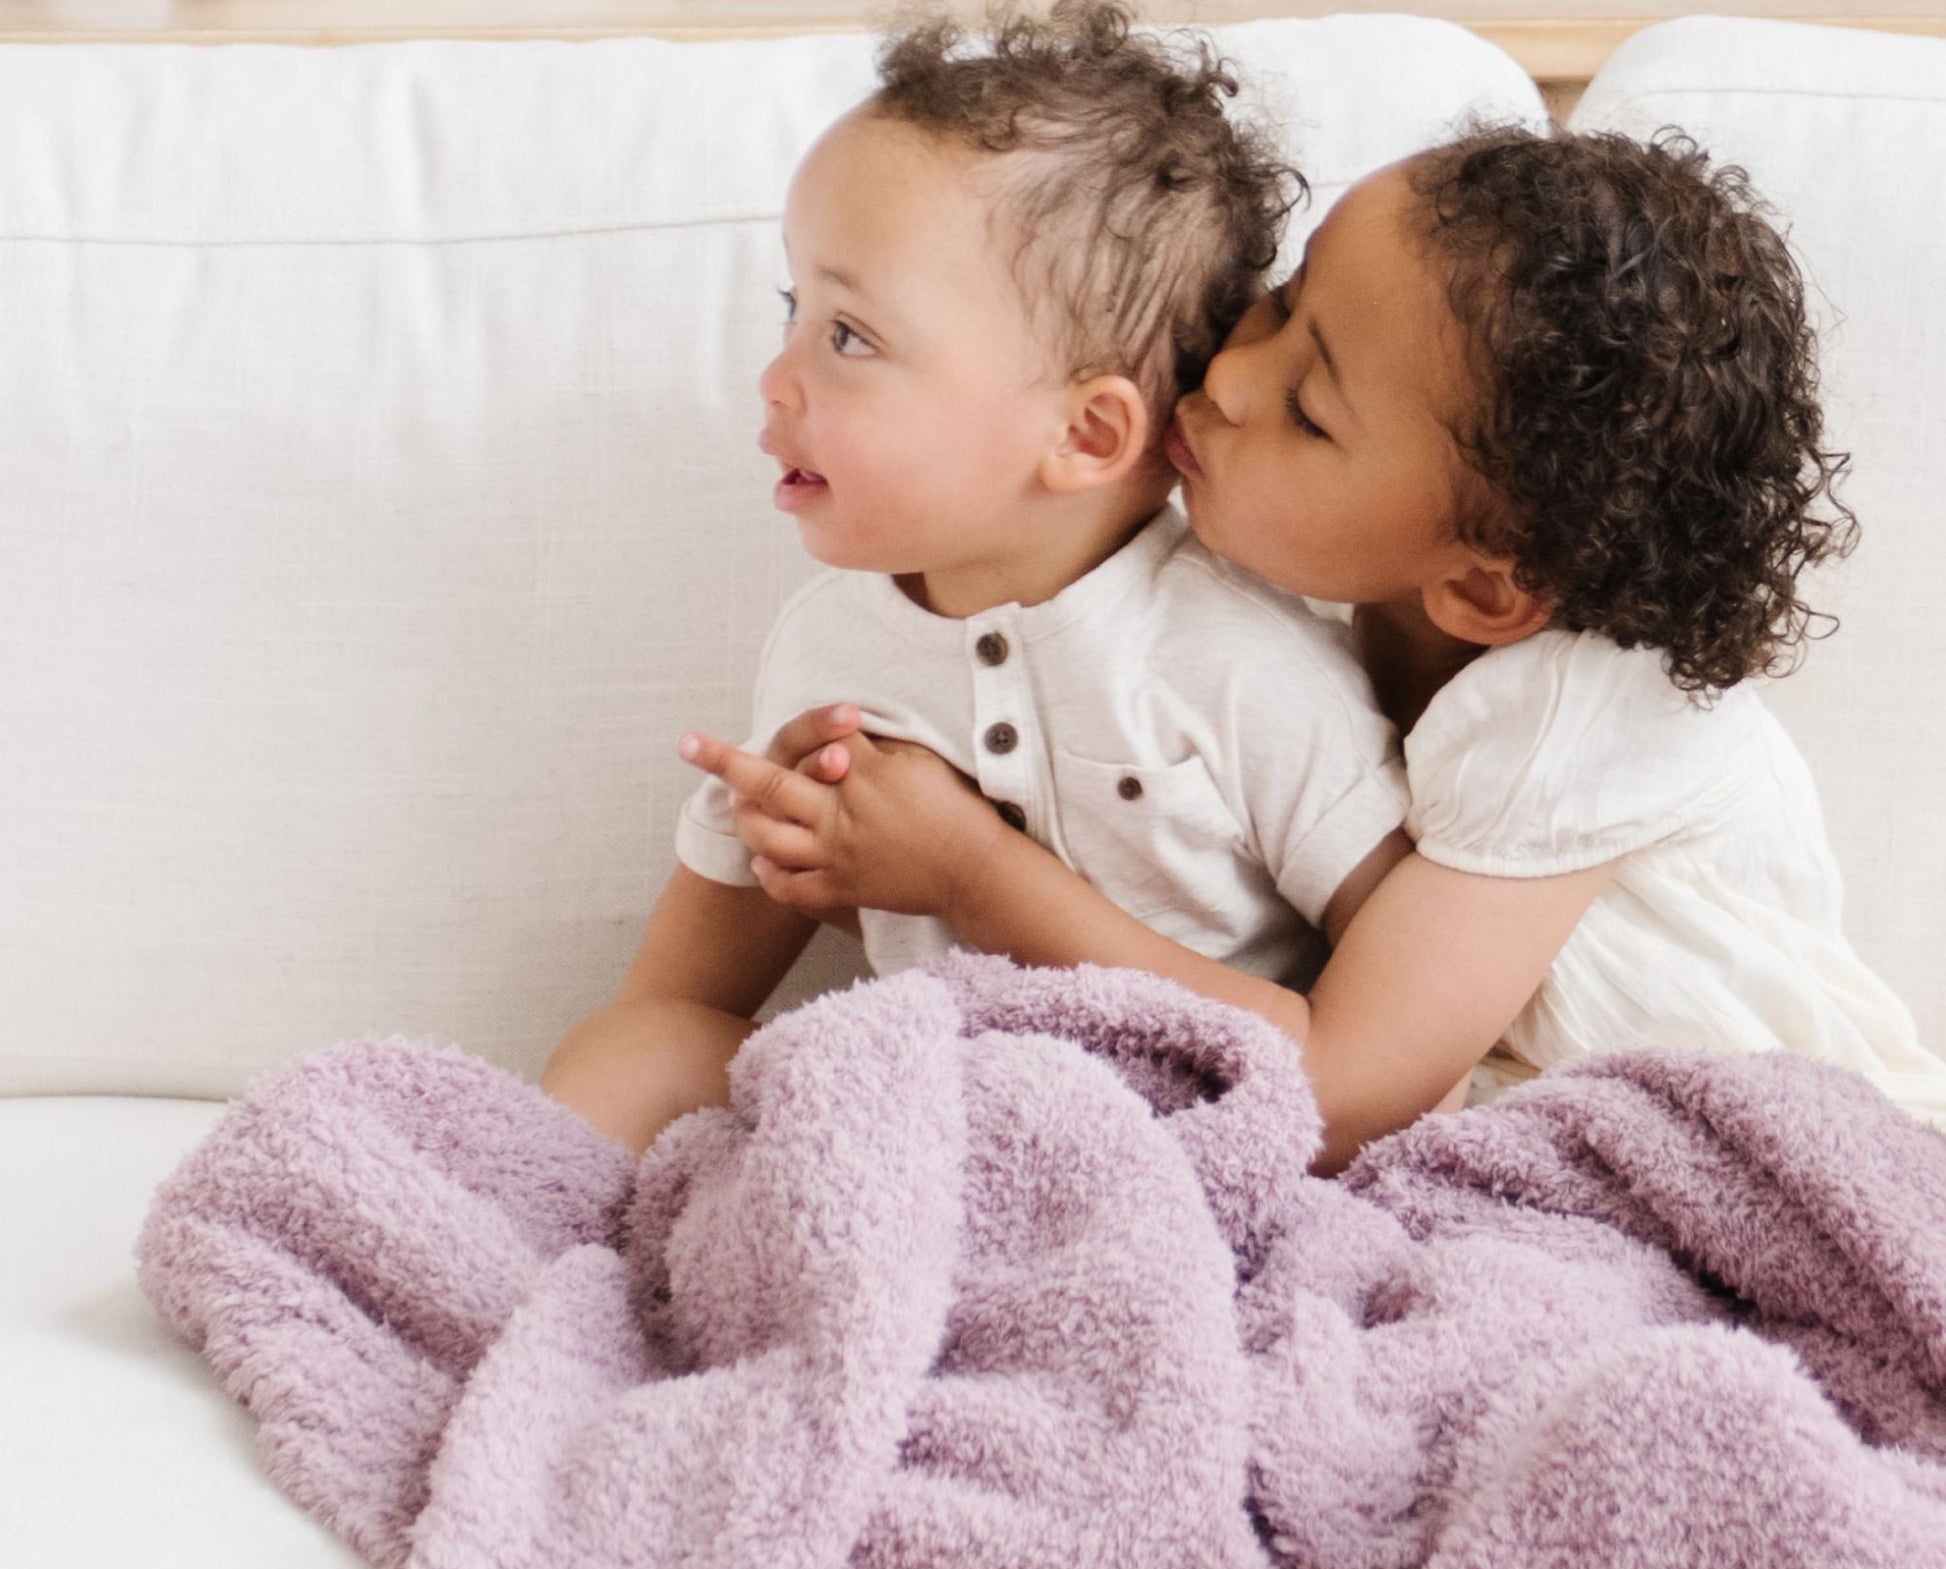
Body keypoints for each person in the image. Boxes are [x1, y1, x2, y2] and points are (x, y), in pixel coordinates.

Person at [687, 122, 1946, 1167]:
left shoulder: (1579, 717)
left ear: (1483, 587)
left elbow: (1340, 1085)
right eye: (1283, 303)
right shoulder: (1290, 618)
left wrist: (972, 873)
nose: (1229, 379)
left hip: (1728, 1148)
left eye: (1308, 409)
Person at [543, 2, 1421, 1156]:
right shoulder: (828, 643)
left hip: (1176, 1151)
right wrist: (773, 838)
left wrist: (967, 870)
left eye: (848, 336)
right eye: (795, 311)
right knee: (629, 1051)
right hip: (918, 1127)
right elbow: (682, 993)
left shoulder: (1243, 662)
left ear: (1084, 435)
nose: (775, 377)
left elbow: (1387, 1045)